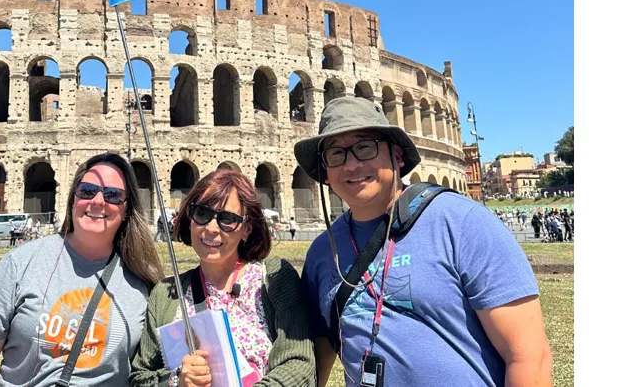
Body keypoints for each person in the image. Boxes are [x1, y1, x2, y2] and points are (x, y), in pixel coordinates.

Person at [293, 97, 553, 387]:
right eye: (336, 153)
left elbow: (529, 356)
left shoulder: (463, 222)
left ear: (398, 155)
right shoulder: (321, 252)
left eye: (364, 146)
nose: (352, 164)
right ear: (325, 173)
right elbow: (319, 354)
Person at [0, 153, 164, 386]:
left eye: (113, 195)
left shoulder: (144, 283)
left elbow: (152, 372)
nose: (98, 201)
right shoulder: (21, 263)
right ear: (73, 199)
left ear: (126, 210)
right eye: (87, 191)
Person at [130, 169, 316, 386]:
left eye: (227, 219)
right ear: (189, 218)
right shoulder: (166, 294)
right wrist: (176, 381)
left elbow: (300, 363)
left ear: (246, 228)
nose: (211, 228)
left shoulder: (274, 279)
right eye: (201, 213)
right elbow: (139, 378)